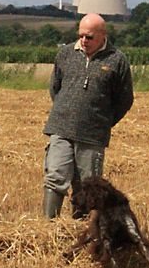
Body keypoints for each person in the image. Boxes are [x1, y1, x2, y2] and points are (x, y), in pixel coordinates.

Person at [42, 13, 134, 219]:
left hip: (93, 134)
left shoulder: (117, 60)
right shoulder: (65, 54)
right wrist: (66, 110)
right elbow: (55, 88)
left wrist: (102, 121)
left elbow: (125, 99)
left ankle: (82, 230)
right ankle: (48, 227)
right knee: (54, 177)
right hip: (61, 127)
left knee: (88, 186)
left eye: (89, 37)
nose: (84, 41)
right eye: (81, 35)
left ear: (103, 36)